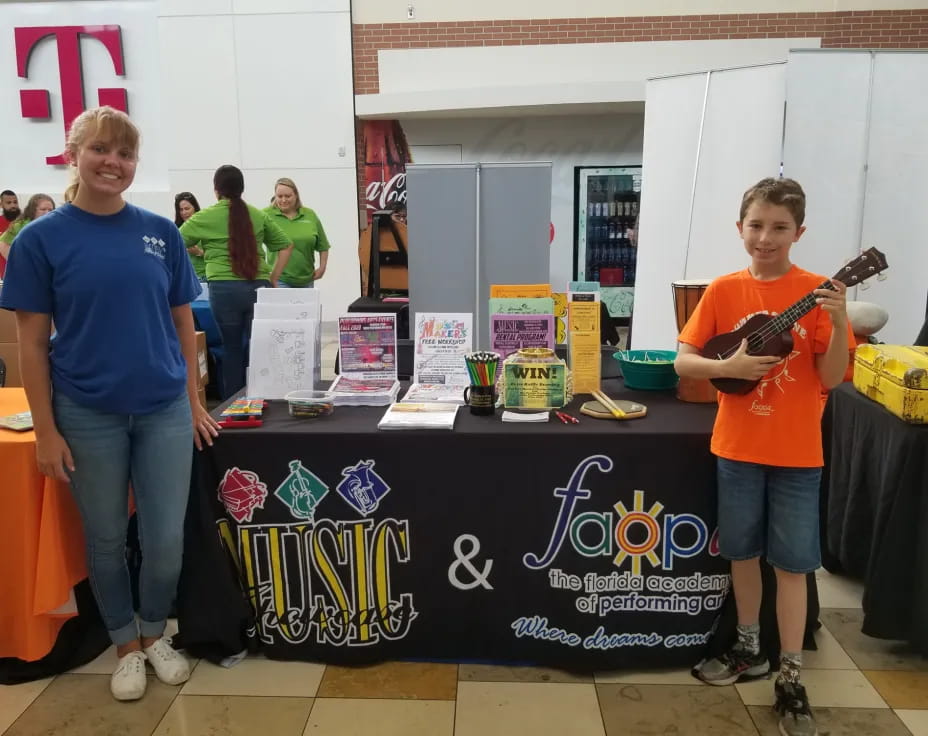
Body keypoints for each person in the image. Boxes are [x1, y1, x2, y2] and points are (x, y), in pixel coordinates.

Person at [0, 106, 220, 701]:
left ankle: (154, 633)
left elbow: (182, 324)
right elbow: (31, 344)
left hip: (162, 412)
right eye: (100, 149)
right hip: (87, 413)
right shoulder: (40, 239)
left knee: (164, 538)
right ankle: (123, 643)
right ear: (74, 154)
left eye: (124, 153)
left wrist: (193, 399)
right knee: (104, 538)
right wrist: (45, 431)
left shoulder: (160, 232)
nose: (113, 162)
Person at [674, 178, 851, 736]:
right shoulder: (724, 290)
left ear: (799, 232)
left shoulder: (818, 292)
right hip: (737, 447)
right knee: (743, 552)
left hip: (799, 452)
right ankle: (748, 646)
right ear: (740, 228)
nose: (766, 237)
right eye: (756, 225)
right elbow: (684, 360)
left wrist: (841, 319)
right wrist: (727, 368)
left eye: (779, 228)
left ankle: (791, 674)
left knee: (794, 564)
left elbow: (828, 377)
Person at [179, 165, 293, 397]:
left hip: (223, 289)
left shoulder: (204, 217)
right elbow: (285, 245)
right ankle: (263, 397)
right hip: (256, 287)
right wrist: (273, 278)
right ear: (242, 188)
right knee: (259, 348)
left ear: (216, 190)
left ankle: (232, 403)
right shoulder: (258, 214)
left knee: (230, 348)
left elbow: (175, 242)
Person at [263, 177, 330, 288]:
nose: (283, 200)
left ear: (296, 195)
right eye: (279, 196)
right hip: (279, 280)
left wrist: (322, 268)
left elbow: (323, 245)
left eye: (288, 196)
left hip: (307, 280)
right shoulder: (266, 215)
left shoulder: (310, 214)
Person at [0, 193, 55, 263]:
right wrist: (19, 262)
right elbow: (2, 244)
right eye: (43, 209)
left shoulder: (51, 226)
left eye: (50, 210)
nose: (47, 213)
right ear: (33, 210)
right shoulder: (21, 225)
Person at [174, 191, 205, 280]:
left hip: (204, 277)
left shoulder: (204, 227)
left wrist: (199, 252)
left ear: (195, 208)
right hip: (185, 278)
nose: (184, 213)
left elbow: (216, 254)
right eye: (181, 209)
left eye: (187, 209)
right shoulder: (176, 229)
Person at [1, 189, 20, 278]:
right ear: (1, 205)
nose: (13, 205)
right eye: (8, 203)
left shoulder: (25, 222)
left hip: (21, 269)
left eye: (15, 202)